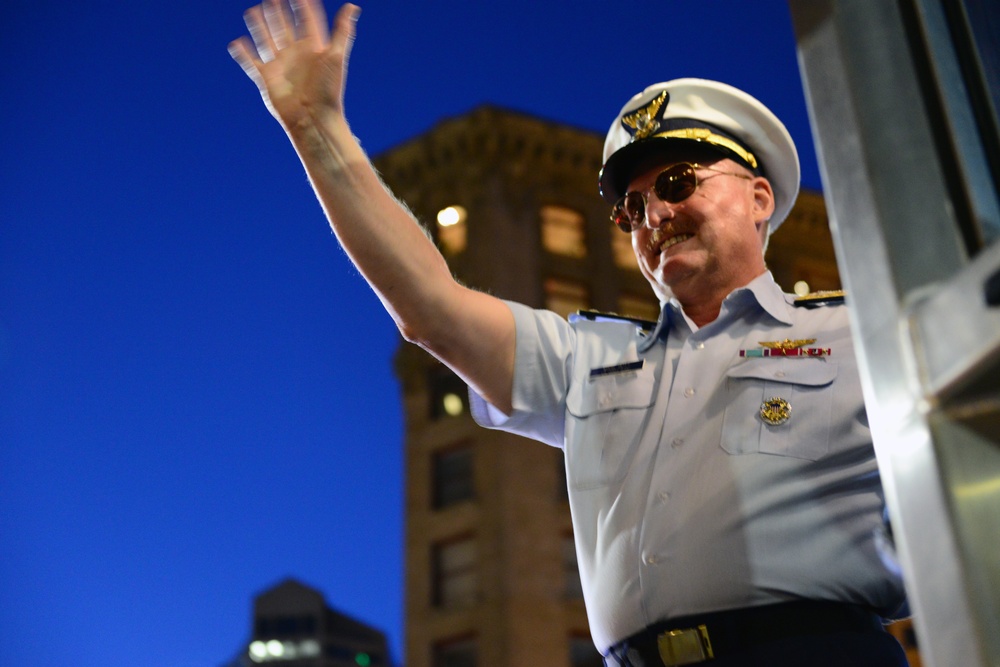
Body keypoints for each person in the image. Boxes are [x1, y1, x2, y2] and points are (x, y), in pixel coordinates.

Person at [229, 2, 909, 665]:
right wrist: (317, 127)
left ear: (759, 198)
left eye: (677, 181)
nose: (655, 214)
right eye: (631, 208)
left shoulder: (863, 332)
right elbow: (429, 309)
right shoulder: (591, 360)